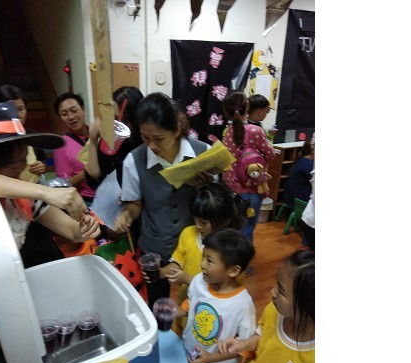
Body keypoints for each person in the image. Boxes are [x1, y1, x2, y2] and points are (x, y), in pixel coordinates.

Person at [113, 92, 213, 308]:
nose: (151, 145)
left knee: (198, 301)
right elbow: (135, 204)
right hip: (155, 248)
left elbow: (216, 206)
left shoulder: (203, 153)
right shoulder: (134, 160)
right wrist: (126, 215)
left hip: (195, 246)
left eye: (158, 138)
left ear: (176, 129)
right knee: (157, 304)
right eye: (145, 137)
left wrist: (206, 187)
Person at [0, 101, 101, 268]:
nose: (21, 167)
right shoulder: (31, 192)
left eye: (23, 158)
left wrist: (84, 229)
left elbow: (71, 231)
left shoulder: (25, 198)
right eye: (12, 161)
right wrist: (46, 192)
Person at [218, 250, 315, 363]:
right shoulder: (274, 310)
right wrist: (242, 344)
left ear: (308, 306)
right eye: (276, 283)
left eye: (282, 291)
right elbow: (261, 337)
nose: (272, 292)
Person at [159, 182, 246, 337]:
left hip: (209, 319)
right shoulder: (188, 234)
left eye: (204, 222)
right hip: (185, 306)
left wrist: (187, 278)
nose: (198, 226)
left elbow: (224, 292)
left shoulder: (231, 251)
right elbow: (177, 262)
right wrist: (160, 272)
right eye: (196, 219)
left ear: (223, 221)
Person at [175, 229, 257, 363]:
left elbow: (244, 348)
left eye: (209, 261)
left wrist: (210, 358)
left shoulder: (243, 304)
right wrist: (172, 313)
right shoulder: (199, 281)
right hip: (191, 352)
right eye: (203, 257)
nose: (202, 264)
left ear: (233, 270)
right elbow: (190, 305)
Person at [221, 90, 276, 276]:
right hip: (250, 190)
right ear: (246, 107)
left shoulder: (227, 132)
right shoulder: (254, 131)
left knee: (232, 227)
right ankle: (241, 267)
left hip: (230, 188)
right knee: (246, 229)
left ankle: (228, 262)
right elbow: (270, 154)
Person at [85, 86, 144, 226]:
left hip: (140, 218)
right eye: (115, 120)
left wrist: (131, 196)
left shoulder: (145, 145)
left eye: (126, 121)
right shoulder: (111, 141)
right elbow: (93, 178)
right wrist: (92, 141)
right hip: (113, 218)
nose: (120, 126)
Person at [0, 84, 48, 183]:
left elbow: (42, 161)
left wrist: (41, 166)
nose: (18, 115)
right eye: (11, 110)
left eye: (21, 109)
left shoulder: (32, 136)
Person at [53, 93, 96, 205]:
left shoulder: (97, 133)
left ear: (83, 110)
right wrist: (86, 174)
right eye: (64, 114)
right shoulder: (61, 145)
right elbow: (64, 185)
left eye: (74, 110)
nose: (71, 117)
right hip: (88, 201)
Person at [284, 138, 314, 248]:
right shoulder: (309, 164)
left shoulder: (303, 160)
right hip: (299, 201)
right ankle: (306, 242)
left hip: (291, 197)